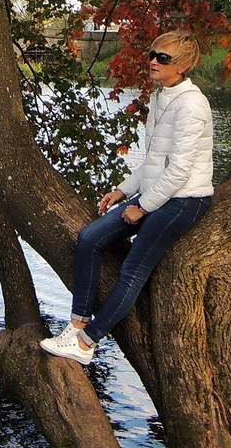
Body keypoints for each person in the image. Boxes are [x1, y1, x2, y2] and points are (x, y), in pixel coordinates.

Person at [40, 29, 215, 365]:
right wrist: (123, 191)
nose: (152, 61)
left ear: (182, 66)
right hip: (156, 192)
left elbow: (179, 173)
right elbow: (153, 163)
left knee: (133, 269)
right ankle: (77, 325)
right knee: (90, 237)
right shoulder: (161, 97)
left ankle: (87, 344)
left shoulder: (192, 105)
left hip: (185, 200)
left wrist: (141, 207)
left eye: (162, 58)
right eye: (152, 54)